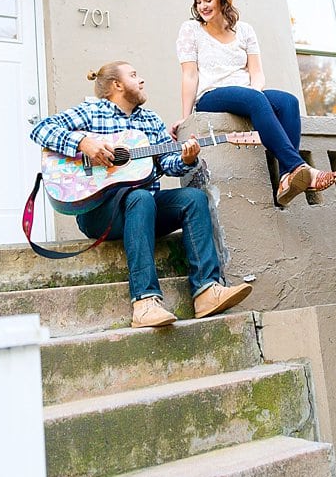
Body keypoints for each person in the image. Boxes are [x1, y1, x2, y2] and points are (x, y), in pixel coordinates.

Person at [30, 60, 252, 328]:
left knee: (193, 199)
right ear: (117, 85)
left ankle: (206, 291)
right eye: (134, 75)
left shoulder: (150, 120)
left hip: (143, 210)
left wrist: (187, 158)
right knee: (140, 196)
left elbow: (168, 163)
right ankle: (145, 302)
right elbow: (40, 129)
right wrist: (84, 143)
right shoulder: (92, 111)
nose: (142, 80)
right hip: (99, 213)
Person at [173, 0, 336, 207]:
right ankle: (300, 168)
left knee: (288, 102)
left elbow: (257, 73)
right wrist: (186, 116)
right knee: (255, 98)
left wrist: (255, 92)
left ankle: (285, 178)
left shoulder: (244, 31)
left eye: (208, 0)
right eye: (199, 2)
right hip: (211, 95)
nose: (202, 6)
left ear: (222, 0)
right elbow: (189, 75)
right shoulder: (191, 30)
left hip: (246, 92)